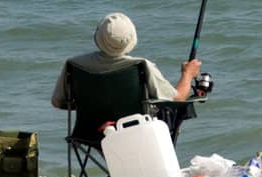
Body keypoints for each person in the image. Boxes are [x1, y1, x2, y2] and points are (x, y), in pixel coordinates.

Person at [51, 12, 201, 109]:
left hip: (87, 132)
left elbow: (58, 102)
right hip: (133, 135)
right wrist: (188, 74)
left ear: (98, 37)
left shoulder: (74, 64)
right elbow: (177, 99)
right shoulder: (141, 66)